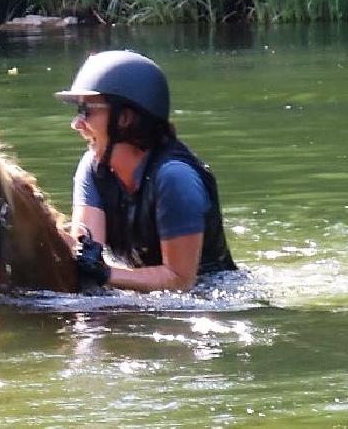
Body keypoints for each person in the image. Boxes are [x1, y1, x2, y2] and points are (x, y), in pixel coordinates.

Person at [55, 50, 236, 292]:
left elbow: (180, 281)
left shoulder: (174, 178)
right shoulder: (93, 168)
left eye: (86, 111)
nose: (77, 124)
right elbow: (88, 251)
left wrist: (105, 273)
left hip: (209, 301)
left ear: (125, 118)